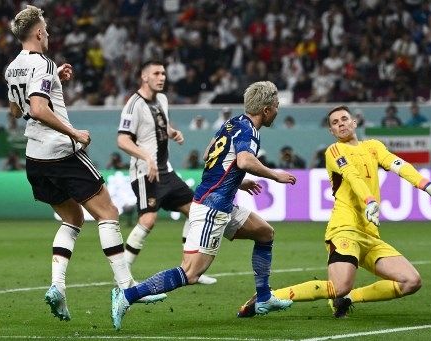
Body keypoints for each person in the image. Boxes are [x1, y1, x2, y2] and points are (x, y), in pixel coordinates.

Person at [5, 5, 163, 322]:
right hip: (61, 152)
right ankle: (126, 286)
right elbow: (37, 109)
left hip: (34, 157)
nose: (47, 34)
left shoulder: (12, 68)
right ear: (38, 32)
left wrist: (55, 80)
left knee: (73, 218)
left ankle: (58, 288)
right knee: (108, 213)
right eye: (46, 30)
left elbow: (16, 111)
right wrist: (74, 131)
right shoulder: (42, 63)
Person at [237, 105, 431, 318]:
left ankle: (349, 299)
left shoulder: (374, 146)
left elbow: (398, 164)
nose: (340, 124)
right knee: (339, 286)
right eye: (335, 123)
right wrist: (369, 200)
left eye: (344, 119)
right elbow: (352, 176)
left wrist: (426, 185)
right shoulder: (335, 151)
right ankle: (268, 296)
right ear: (331, 131)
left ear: (354, 122)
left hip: (370, 235)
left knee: (411, 281)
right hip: (345, 229)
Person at [111, 81, 297, 330]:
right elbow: (243, 159)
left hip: (221, 202)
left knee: (265, 233)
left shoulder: (232, 123)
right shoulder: (249, 131)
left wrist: (236, 181)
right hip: (212, 208)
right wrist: (275, 175)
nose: (277, 110)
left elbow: (211, 152)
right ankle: (127, 295)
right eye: (275, 106)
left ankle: (263, 298)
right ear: (265, 109)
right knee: (190, 273)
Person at [117, 60, 216, 285]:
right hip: (145, 172)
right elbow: (122, 140)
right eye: (156, 73)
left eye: (163, 73)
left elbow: (159, 125)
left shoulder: (161, 99)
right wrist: (146, 157)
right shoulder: (133, 104)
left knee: (196, 211)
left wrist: (172, 133)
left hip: (166, 171)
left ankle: (189, 270)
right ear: (144, 77)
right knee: (149, 219)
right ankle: (122, 275)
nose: (162, 77)